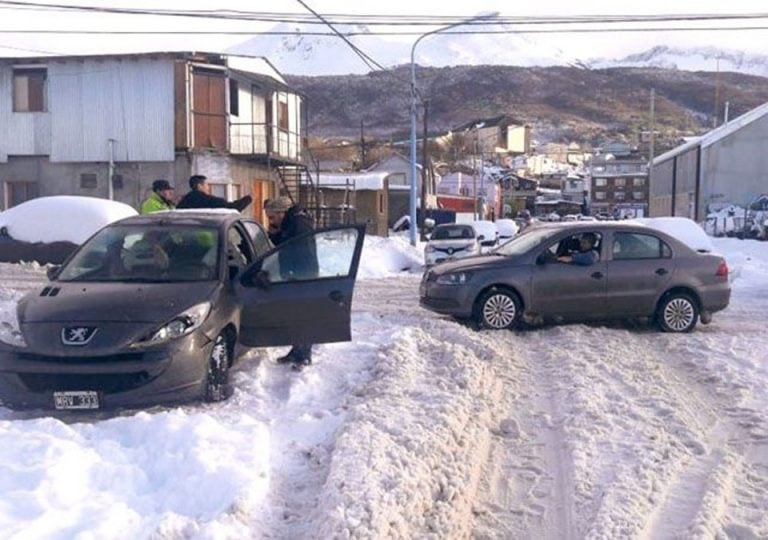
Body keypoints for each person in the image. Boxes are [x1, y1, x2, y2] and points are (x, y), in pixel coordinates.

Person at [264, 195, 318, 369]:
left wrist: (296, 275)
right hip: (294, 275)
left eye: (272, 217)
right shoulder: (290, 223)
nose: (271, 221)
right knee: (295, 315)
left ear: (282, 213)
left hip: (302, 276)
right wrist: (276, 234)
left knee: (304, 316)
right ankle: (296, 350)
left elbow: (296, 248)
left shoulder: (299, 223)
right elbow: (284, 244)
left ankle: (305, 355)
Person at [176, 174, 253, 211]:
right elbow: (232, 208)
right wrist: (248, 198)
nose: (208, 188)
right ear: (199, 186)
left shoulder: (183, 203)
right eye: (206, 185)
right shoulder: (210, 201)